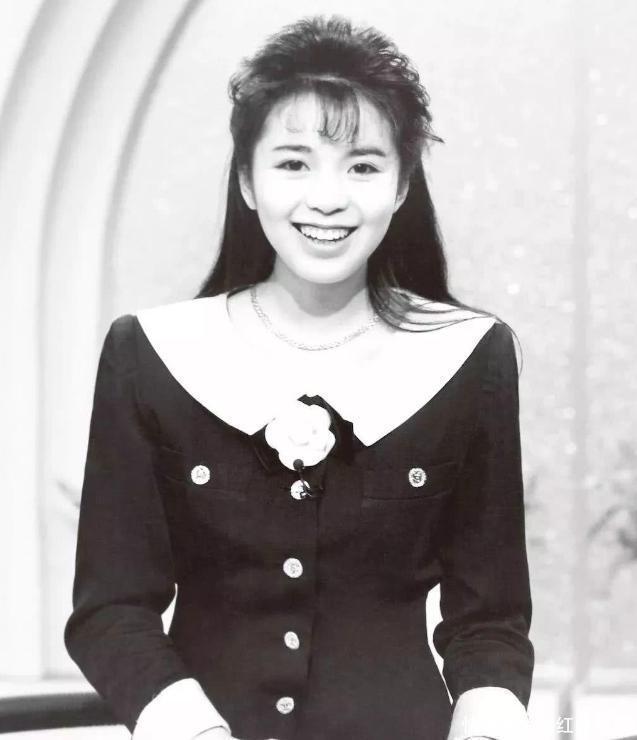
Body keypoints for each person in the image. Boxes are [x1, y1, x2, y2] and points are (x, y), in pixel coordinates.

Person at [64, 14, 534, 740]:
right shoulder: (151, 351)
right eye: (293, 164)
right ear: (246, 182)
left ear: (402, 186)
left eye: (363, 166)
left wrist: (488, 721)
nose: (327, 197)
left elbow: (490, 621)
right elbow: (111, 611)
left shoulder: (469, 355)